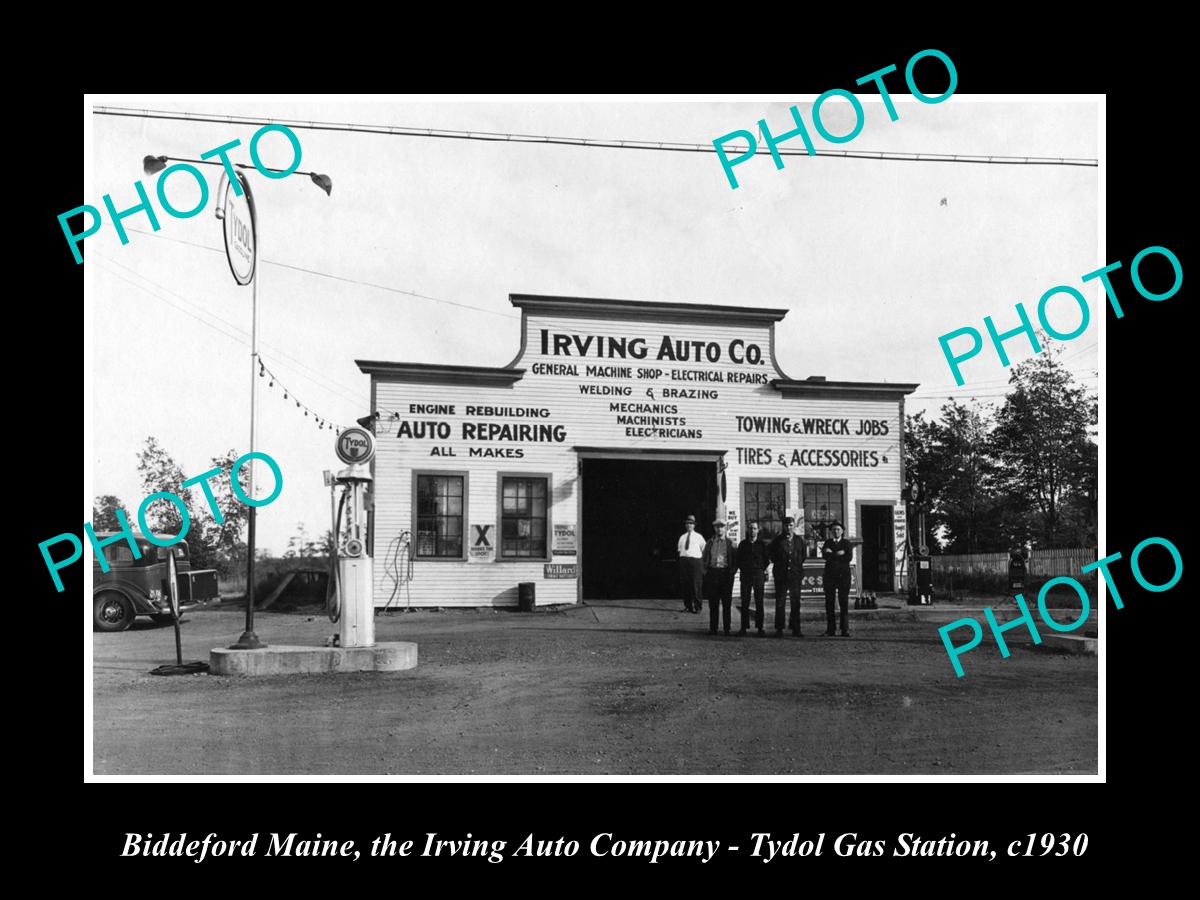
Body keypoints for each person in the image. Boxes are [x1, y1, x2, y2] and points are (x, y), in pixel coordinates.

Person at [736, 521, 769, 635]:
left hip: (758, 575)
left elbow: (766, 560)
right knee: (745, 601)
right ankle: (744, 627)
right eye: (750, 528)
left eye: (754, 528)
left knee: (759, 601)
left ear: (758, 530)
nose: (752, 531)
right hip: (746, 575)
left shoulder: (762, 544)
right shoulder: (743, 544)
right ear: (747, 530)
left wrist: (760, 569)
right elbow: (738, 559)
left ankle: (760, 628)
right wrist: (745, 568)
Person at [703, 520, 736, 634]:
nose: (719, 529)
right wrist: (706, 572)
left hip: (726, 574)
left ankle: (727, 628)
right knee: (713, 603)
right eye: (717, 527)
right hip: (713, 574)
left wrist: (732, 572)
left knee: (726, 603)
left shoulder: (730, 543)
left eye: (721, 527)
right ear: (714, 529)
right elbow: (704, 558)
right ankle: (713, 628)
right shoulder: (710, 542)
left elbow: (735, 560)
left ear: (725, 528)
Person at [768, 516, 799, 637]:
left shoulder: (799, 541)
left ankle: (796, 628)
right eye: (786, 525)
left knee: (795, 602)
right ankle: (779, 628)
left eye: (791, 525)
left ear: (794, 526)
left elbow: (801, 557)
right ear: (783, 526)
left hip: (795, 576)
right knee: (780, 602)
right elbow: (772, 556)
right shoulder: (777, 541)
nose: (789, 528)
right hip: (781, 576)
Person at [822, 521, 854, 636]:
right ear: (831, 531)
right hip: (830, 576)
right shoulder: (827, 542)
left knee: (843, 602)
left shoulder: (846, 543)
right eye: (834, 529)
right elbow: (824, 556)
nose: (836, 531)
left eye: (838, 529)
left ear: (842, 531)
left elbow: (848, 557)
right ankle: (831, 629)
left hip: (843, 576)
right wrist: (838, 554)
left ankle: (845, 629)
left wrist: (832, 554)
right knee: (829, 602)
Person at [677, 514, 705, 614]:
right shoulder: (682, 537)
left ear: (694, 525)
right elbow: (680, 550)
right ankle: (688, 606)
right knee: (686, 585)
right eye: (688, 523)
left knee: (696, 585)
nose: (689, 525)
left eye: (691, 523)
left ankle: (698, 607)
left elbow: (704, 550)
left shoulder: (699, 537)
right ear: (685, 525)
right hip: (684, 561)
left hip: (696, 562)